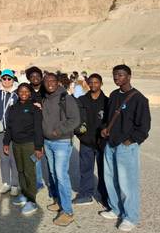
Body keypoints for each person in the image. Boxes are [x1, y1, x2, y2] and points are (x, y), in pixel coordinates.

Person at [99, 65, 151, 232]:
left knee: (128, 183)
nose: (117, 78)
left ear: (129, 76)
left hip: (126, 146)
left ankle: (131, 217)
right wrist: (105, 128)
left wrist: (131, 141)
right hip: (110, 144)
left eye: (120, 75)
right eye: (115, 75)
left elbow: (144, 126)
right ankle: (115, 209)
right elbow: (109, 117)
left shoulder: (139, 99)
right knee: (110, 179)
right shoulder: (114, 95)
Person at [42, 72, 80, 227]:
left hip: (62, 142)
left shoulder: (66, 98)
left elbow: (75, 120)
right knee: (53, 174)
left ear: (57, 82)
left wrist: (59, 130)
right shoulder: (45, 98)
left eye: (53, 81)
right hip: (48, 142)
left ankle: (68, 211)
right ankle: (59, 201)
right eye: (47, 81)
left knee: (61, 175)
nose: (50, 83)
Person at [3, 83, 44, 215]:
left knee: (29, 172)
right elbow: (9, 127)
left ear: (30, 93)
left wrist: (38, 147)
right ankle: (25, 194)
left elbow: (38, 129)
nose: (24, 93)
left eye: (26, 91)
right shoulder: (13, 108)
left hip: (29, 145)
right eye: (21, 91)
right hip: (16, 144)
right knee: (20, 170)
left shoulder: (34, 109)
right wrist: (6, 142)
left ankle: (32, 201)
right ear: (18, 93)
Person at [73, 73, 109, 207]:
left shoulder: (107, 101)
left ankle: (104, 195)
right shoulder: (82, 100)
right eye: (91, 82)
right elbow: (76, 119)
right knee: (85, 169)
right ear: (88, 84)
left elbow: (110, 120)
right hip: (86, 142)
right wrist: (80, 134)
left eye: (96, 82)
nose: (93, 85)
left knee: (103, 170)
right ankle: (85, 194)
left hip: (101, 143)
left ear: (101, 83)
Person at [0, 69, 19, 196]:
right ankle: (6, 182)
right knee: (4, 157)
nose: (6, 81)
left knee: (13, 158)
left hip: (13, 130)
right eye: (4, 78)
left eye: (9, 79)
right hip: (0, 130)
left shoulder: (18, 94)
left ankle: (15, 183)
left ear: (13, 79)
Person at [25, 66, 46, 190]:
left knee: (49, 156)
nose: (35, 78)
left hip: (47, 126)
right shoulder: (26, 90)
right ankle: (38, 181)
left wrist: (43, 107)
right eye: (32, 77)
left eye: (37, 76)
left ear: (41, 76)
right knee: (35, 154)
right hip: (32, 128)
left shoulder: (47, 88)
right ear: (29, 78)